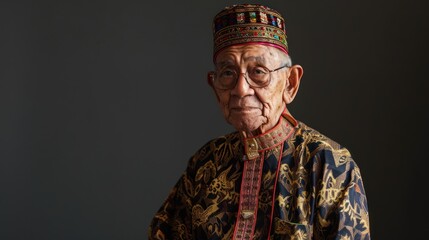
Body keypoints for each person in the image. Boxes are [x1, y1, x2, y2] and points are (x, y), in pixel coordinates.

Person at [148, 4, 370, 240]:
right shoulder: (205, 164)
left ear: (290, 83)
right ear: (215, 88)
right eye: (227, 73)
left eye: (258, 72)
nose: (241, 89)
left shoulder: (329, 166)